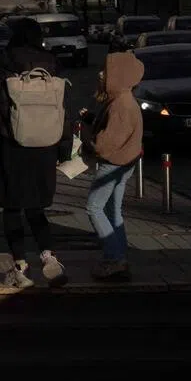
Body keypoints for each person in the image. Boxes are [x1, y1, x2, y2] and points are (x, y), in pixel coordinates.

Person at [0, 18, 74, 289]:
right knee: (37, 207)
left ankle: (20, 266)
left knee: (12, 207)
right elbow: (64, 111)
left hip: (13, 148)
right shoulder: (52, 63)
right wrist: (64, 150)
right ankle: (48, 255)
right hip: (46, 146)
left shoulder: (5, 61)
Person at [82, 51, 145, 280]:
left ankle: (114, 258)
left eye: (106, 71)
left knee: (94, 208)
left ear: (119, 75)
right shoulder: (123, 99)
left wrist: (87, 145)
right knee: (112, 209)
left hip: (114, 163)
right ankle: (120, 254)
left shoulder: (120, 105)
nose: (101, 74)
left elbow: (104, 144)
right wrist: (92, 119)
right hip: (126, 162)